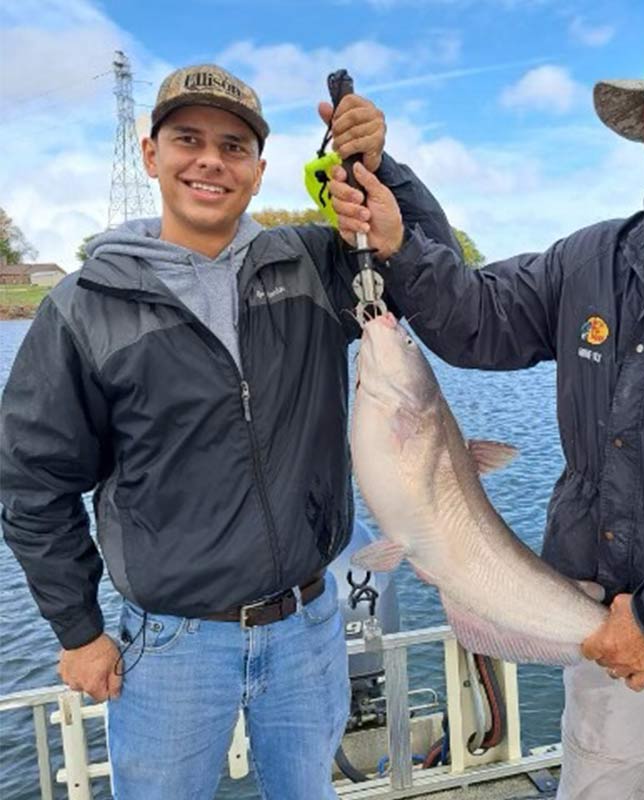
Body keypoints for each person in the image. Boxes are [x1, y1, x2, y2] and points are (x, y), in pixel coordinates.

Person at [330, 12, 644, 800]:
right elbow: (474, 318)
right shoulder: (591, 257)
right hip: (596, 601)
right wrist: (398, 220)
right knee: (598, 787)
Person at [0, 63, 456, 799]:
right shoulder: (83, 306)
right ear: (151, 155)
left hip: (309, 625)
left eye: (234, 146)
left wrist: (385, 168)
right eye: (188, 139)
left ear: (258, 170)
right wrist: (78, 630)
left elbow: (431, 269)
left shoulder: (312, 263)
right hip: (173, 642)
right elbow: (33, 485)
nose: (211, 159)